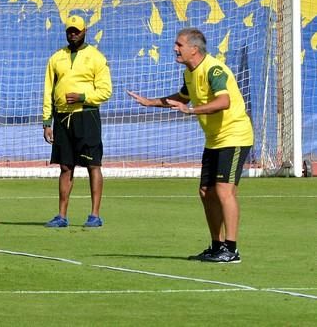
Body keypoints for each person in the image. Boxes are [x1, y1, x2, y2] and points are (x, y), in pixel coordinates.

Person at [127, 28, 252, 263]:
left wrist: (192, 110)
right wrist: (150, 102)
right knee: (206, 192)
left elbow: (223, 102)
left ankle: (232, 250)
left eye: (179, 45)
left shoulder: (213, 69)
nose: (175, 48)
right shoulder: (189, 73)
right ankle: (217, 246)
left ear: (194, 49)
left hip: (235, 135)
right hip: (214, 139)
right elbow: (182, 98)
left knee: (224, 191)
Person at [42, 15, 112, 228]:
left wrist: (83, 97)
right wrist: (47, 121)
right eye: (70, 31)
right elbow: (48, 90)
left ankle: (95, 215)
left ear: (85, 31)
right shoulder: (56, 58)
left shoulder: (96, 57)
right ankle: (62, 216)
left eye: (77, 31)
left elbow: (106, 91)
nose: (73, 34)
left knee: (93, 164)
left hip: (87, 115)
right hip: (62, 118)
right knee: (65, 166)